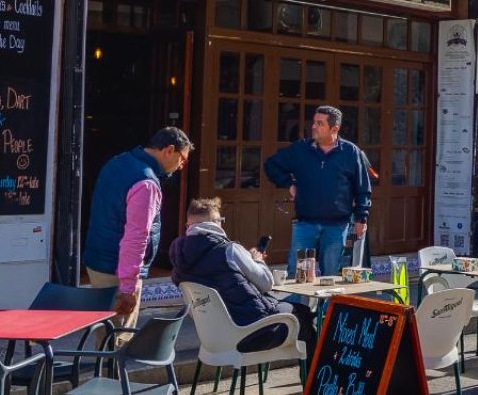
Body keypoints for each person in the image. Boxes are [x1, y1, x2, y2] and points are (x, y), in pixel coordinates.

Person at [83, 126, 192, 326]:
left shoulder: (117, 162)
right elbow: (136, 238)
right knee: (119, 339)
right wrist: (128, 288)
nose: (182, 166)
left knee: (103, 334)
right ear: (168, 150)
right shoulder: (146, 182)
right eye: (182, 159)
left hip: (97, 260)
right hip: (117, 269)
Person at [168, 197, 309, 351]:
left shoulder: (177, 254)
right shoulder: (230, 250)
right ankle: (321, 374)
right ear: (216, 223)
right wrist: (257, 261)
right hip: (252, 333)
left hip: (212, 337)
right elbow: (267, 283)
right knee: (304, 315)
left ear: (189, 225)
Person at [262, 105, 372, 278]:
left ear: (334, 128)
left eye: (320, 123)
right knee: (297, 276)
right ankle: (297, 307)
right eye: (314, 122)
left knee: (331, 276)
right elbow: (271, 165)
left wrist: (361, 218)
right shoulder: (300, 149)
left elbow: (363, 189)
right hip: (305, 224)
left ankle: (325, 306)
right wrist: (289, 184)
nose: (313, 126)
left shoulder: (351, 153)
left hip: (337, 226)